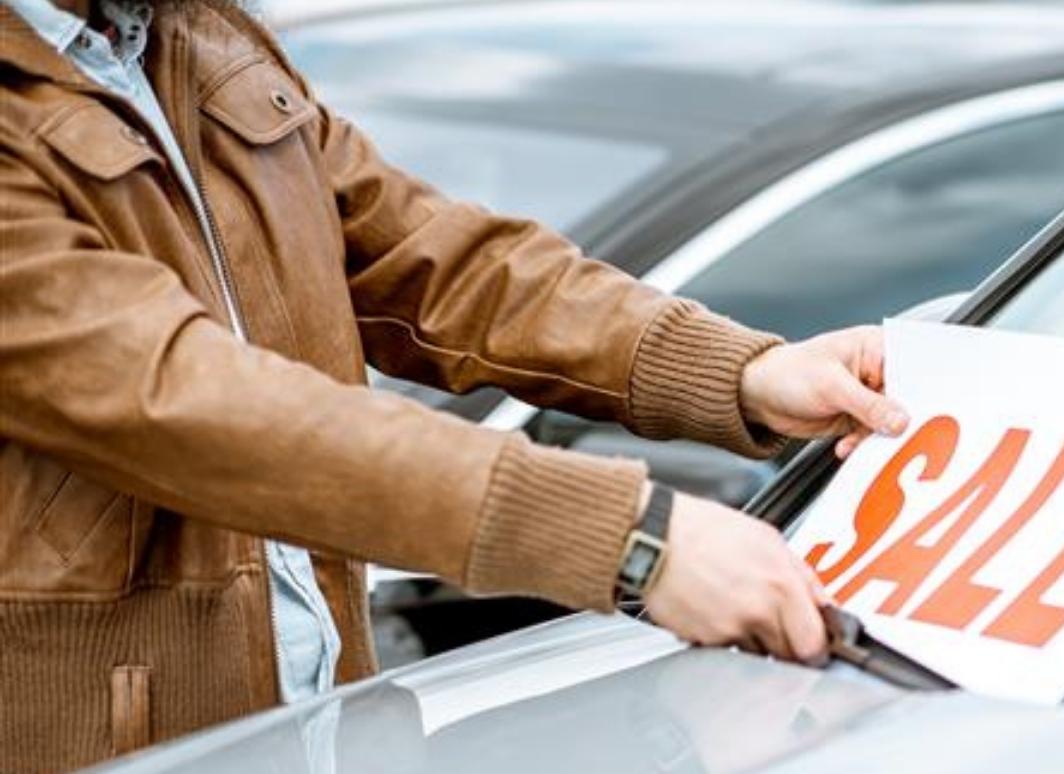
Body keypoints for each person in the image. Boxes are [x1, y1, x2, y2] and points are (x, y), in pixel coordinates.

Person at [0, 0, 909, 769]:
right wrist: (629, 540)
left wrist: (741, 369)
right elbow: (187, 403)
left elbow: (440, 266)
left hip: (317, 731)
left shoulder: (195, 39)